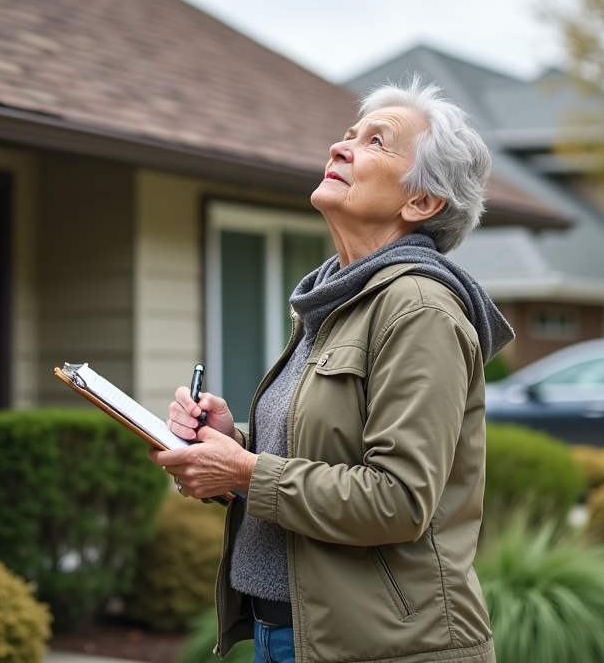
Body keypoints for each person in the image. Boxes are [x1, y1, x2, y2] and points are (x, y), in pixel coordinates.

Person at [149, 76, 512, 663]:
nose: (340, 148)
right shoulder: (333, 302)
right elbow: (321, 457)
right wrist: (230, 444)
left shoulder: (417, 308)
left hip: (383, 646)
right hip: (288, 635)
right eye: (347, 135)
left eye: (375, 141)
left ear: (421, 202)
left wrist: (243, 471)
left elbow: (397, 499)